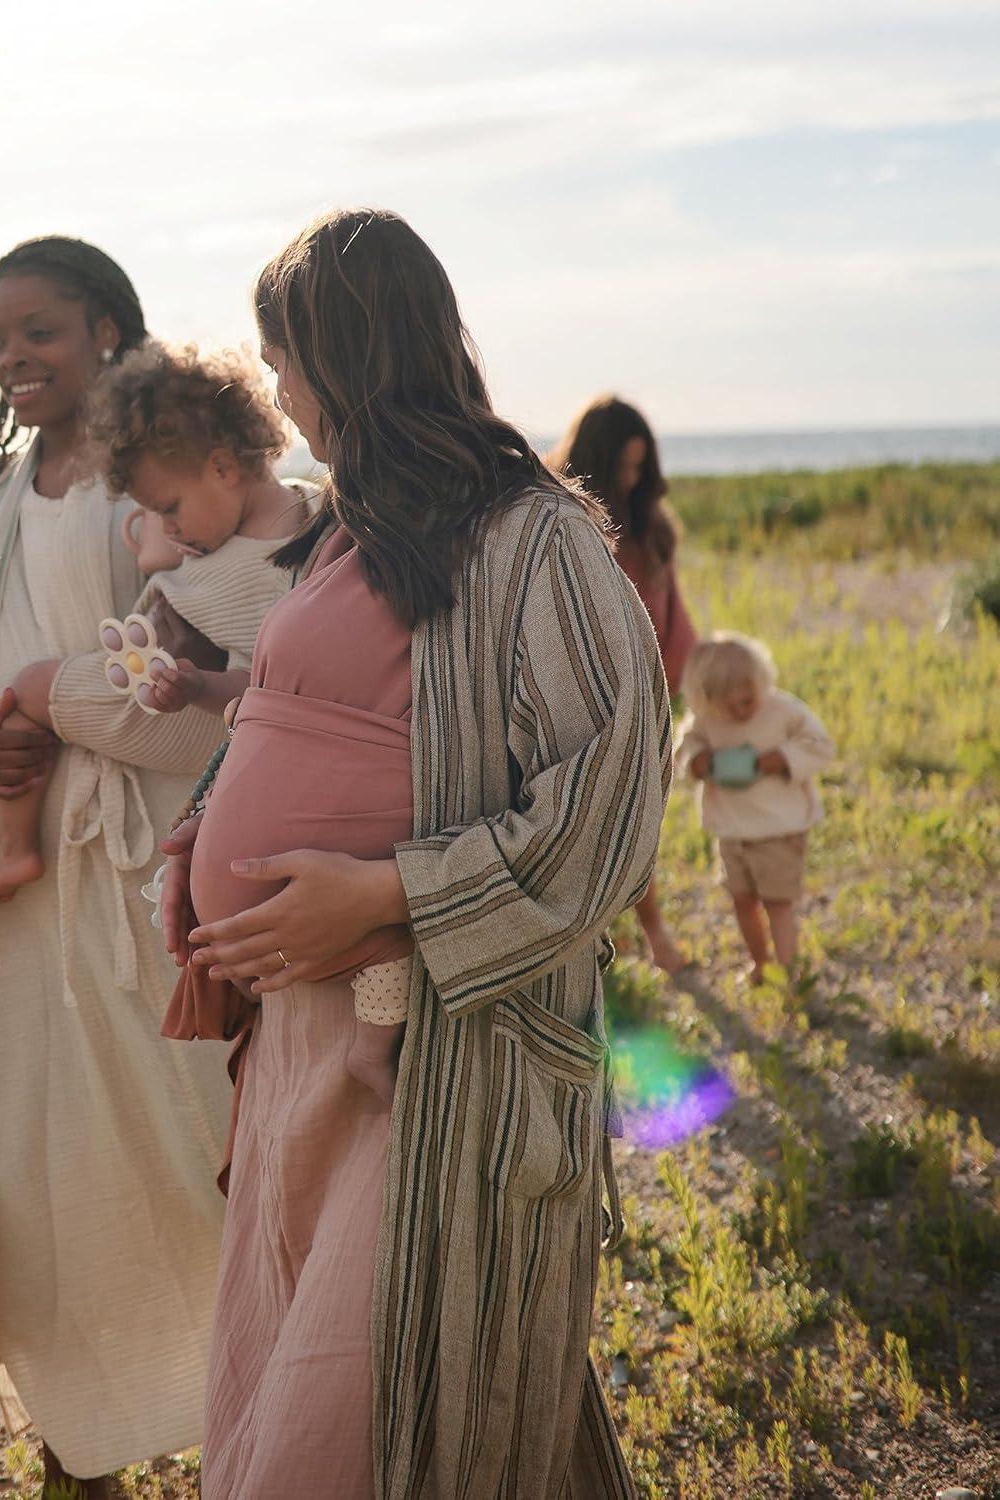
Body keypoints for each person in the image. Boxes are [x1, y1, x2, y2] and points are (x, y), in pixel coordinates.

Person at [160, 209, 670, 1499]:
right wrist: (209, 821)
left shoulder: (532, 535)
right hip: (306, 1048)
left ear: (346, 354)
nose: (278, 400)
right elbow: (314, 717)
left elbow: (608, 804)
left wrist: (388, 896)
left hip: (437, 1060)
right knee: (325, 1391)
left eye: (285, 365)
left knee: (366, 1419)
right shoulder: (352, 525)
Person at [0, 236, 233, 1498]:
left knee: (209, 1147)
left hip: (157, 871)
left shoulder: (177, 487)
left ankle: (255, 1418)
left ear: (106, 330)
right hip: (14, 895)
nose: (12, 357)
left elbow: (233, 655)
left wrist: (66, 709)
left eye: (37, 329)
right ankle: (81, 1442)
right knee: (44, 1180)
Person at [0, 340, 306, 902]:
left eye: (168, 508)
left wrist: (199, 685)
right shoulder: (290, 519)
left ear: (223, 467)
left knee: (27, 688)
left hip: (198, 716)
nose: (165, 527)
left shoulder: (276, 563)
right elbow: (162, 564)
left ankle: (15, 849)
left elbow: (271, 690)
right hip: (179, 687)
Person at [551, 395, 695, 975]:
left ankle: (652, 935)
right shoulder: (567, 524)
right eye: (623, 467)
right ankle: (607, 941)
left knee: (639, 824)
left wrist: (684, 679)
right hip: (586, 703)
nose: (633, 479)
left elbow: (673, 612)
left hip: (648, 702)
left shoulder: (650, 529)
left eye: (641, 467)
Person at [676, 632, 834, 985]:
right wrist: (697, 762)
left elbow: (820, 744)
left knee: (778, 903)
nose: (740, 712)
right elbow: (686, 745)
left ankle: (789, 972)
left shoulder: (783, 711)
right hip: (732, 829)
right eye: (729, 706)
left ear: (762, 683)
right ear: (707, 700)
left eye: (747, 701)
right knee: (741, 901)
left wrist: (784, 758)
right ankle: (761, 964)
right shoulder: (706, 720)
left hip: (778, 828)